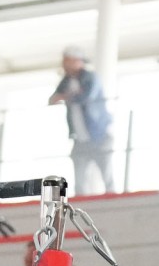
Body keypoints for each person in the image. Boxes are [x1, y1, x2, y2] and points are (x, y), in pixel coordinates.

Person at [48, 45, 114, 196]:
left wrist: (66, 96)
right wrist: (67, 95)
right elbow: (53, 99)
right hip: (79, 139)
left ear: (78, 61)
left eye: (69, 61)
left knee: (106, 175)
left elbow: (86, 97)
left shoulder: (90, 77)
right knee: (79, 180)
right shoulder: (66, 81)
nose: (65, 65)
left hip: (99, 135)